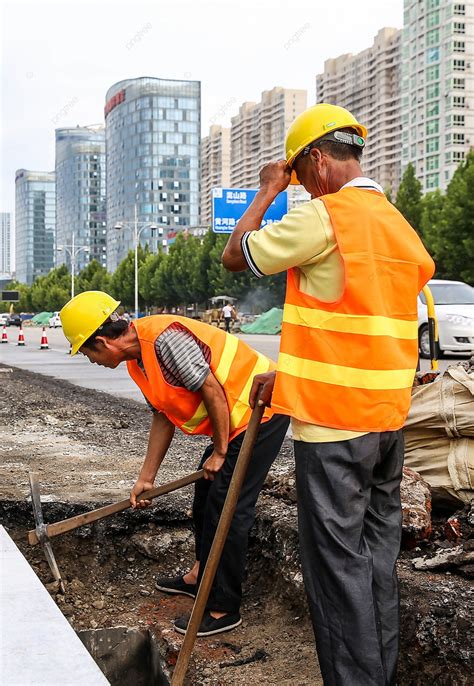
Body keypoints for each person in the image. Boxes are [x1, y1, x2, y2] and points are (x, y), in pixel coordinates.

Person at [221, 104, 435, 685]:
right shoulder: (396, 222)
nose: (298, 184)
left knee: (337, 572)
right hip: (387, 423)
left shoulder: (325, 218)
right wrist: (286, 375)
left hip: (334, 430)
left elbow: (234, 255)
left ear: (315, 162)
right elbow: (354, 324)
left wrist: (267, 191)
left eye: (297, 173)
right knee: (376, 567)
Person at [59, 291, 289, 637]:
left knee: (227, 507)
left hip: (260, 412)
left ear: (104, 343)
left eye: (87, 352)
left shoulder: (165, 340)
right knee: (204, 494)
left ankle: (224, 606)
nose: (90, 361)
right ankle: (200, 575)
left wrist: (221, 452)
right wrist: (146, 479)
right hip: (234, 420)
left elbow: (211, 389)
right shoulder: (139, 360)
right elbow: (163, 417)